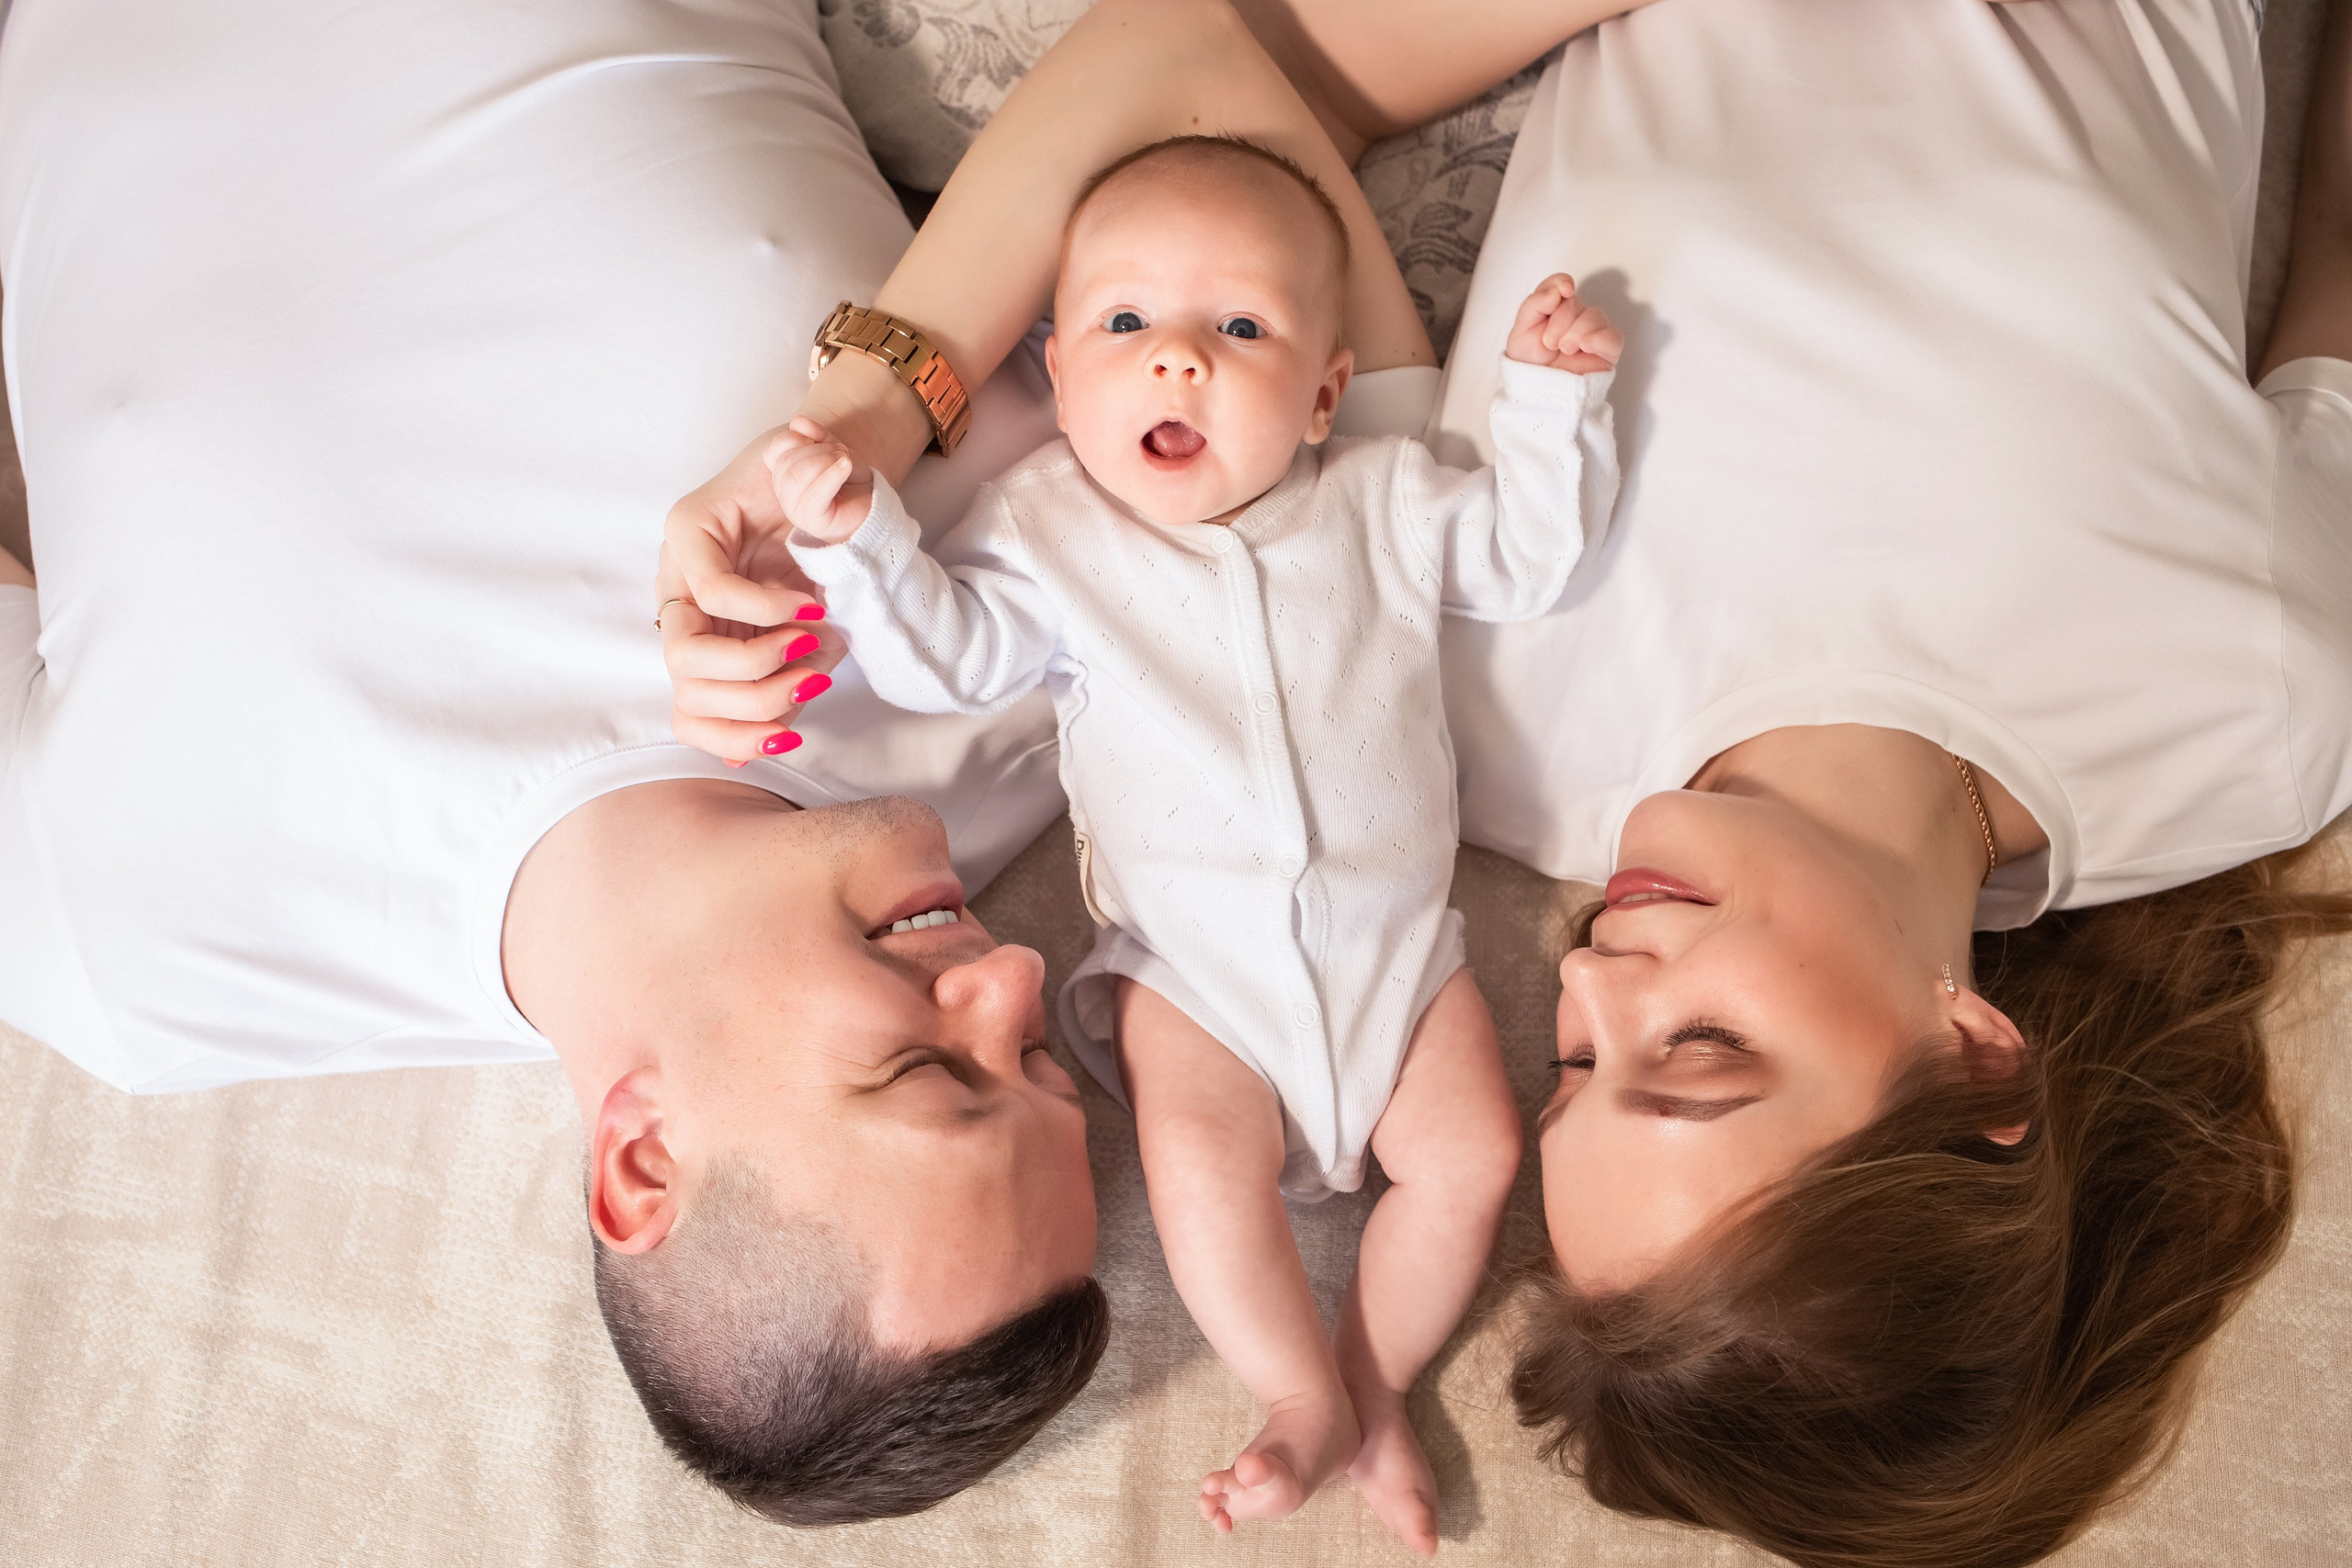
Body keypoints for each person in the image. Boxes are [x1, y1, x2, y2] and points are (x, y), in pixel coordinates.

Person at [661, 0, 2352, 1561]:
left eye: (1573, 1062)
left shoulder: (1475, 688)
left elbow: (1193, 79)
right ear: (1977, 1050)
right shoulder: (2261, 724)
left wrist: (857, 430)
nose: (1595, 972)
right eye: (1698, 1050)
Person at [0, 0, 1113, 1524]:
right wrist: (872, 410)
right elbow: (1186, 65)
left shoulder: (129, 950)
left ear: (641, 1164)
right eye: (1040, 1064)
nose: (1017, 981)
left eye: (926, 1069)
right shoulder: (1042, 668)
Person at [769, 130, 1621, 1546]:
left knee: (1472, 1153)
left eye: (1238, 328)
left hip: (1402, 959)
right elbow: (948, 659)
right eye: (1126, 325)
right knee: (1202, 1172)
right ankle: (1295, 1391)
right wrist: (862, 540)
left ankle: (1376, 1382)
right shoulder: (1048, 533)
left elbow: (1527, 558)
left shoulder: (1382, 498)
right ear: (1058, 376)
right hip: (1193, 972)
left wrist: (1548, 403)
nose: (1176, 358)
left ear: (1324, 393)